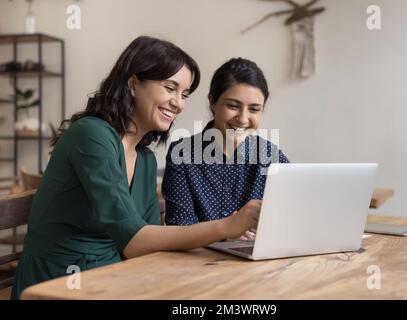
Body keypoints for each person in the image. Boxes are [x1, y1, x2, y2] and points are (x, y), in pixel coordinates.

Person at [11, 37, 260, 299]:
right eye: (170, 88)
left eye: (184, 94)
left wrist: (226, 237)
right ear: (133, 83)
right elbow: (135, 240)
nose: (178, 103)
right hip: (58, 283)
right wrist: (225, 226)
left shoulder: (145, 159)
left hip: (114, 275)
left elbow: (149, 241)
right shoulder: (91, 135)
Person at [162, 58, 288, 239]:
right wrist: (227, 232)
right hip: (198, 263)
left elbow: (293, 216)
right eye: (233, 106)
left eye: (254, 109)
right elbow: (179, 227)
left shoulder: (271, 156)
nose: (243, 118)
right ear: (212, 102)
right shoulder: (182, 155)